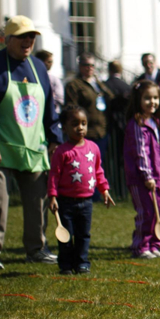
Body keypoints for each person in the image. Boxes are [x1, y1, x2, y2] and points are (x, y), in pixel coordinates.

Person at [0, 15, 62, 269]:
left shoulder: (38, 67)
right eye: (22, 36)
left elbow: (48, 108)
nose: (28, 41)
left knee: (37, 202)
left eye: (31, 37)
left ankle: (37, 248)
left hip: (32, 149)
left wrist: (54, 137)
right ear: (8, 39)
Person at [47, 106, 115, 274]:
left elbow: (98, 171)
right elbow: (54, 175)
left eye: (83, 123)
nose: (80, 127)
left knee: (83, 235)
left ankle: (82, 262)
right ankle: (66, 265)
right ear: (65, 127)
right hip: (66, 201)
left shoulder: (93, 148)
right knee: (66, 236)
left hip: (86, 202)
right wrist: (53, 196)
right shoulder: (62, 152)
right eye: (75, 124)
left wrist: (104, 189)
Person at [124, 80, 160, 259]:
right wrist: (146, 174)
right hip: (142, 178)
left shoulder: (155, 123)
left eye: (155, 98)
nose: (152, 102)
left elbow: (158, 148)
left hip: (158, 176)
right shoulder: (137, 124)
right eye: (147, 98)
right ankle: (141, 246)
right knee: (147, 212)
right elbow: (140, 151)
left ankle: (154, 244)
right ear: (138, 100)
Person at [64, 53, 115, 160]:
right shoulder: (74, 85)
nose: (90, 68)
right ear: (80, 66)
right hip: (86, 133)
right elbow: (72, 109)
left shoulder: (98, 83)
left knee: (98, 166)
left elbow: (110, 97)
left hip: (101, 131)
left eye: (92, 65)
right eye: (86, 65)